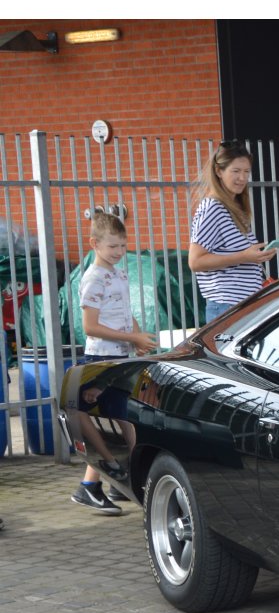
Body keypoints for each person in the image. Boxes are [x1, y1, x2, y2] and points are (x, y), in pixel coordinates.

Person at [71, 210, 156, 515]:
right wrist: (133, 339)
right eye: (113, 247)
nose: (120, 252)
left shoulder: (117, 273)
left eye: (123, 246)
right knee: (121, 426)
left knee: (126, 423)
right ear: (94, 243)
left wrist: (136, 337)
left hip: (120, 357)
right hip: (102, 359)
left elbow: (124, 312)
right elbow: (90, 327)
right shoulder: (93, 278)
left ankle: (114, 483)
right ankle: (92, 486)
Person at [188, 141, 274, 322]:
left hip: (243, 306)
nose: (242, 178)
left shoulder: (233, 208)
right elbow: (195, 261)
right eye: (236, 171)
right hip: (227, 307)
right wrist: (244, 256)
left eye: (246, 172)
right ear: (219, 171)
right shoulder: (212, 207)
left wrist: (255, 256)